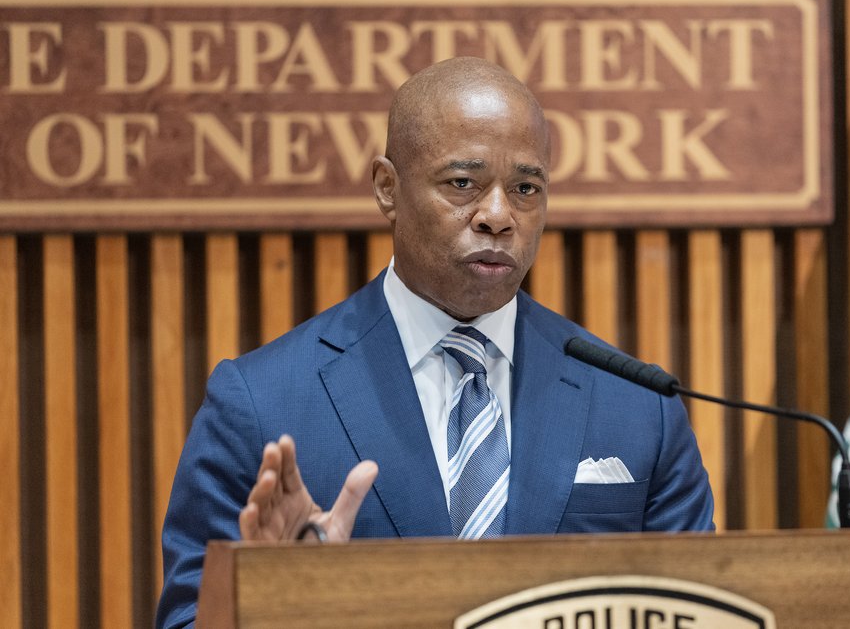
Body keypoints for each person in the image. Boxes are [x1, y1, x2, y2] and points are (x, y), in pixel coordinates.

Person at [155, 57, 714, 629]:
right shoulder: (259, 404)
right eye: (462, 183)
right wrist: (277, 603)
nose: (498, 216)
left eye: (525, 188)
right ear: (388, 189)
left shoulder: (639, 407)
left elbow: (702, 612)